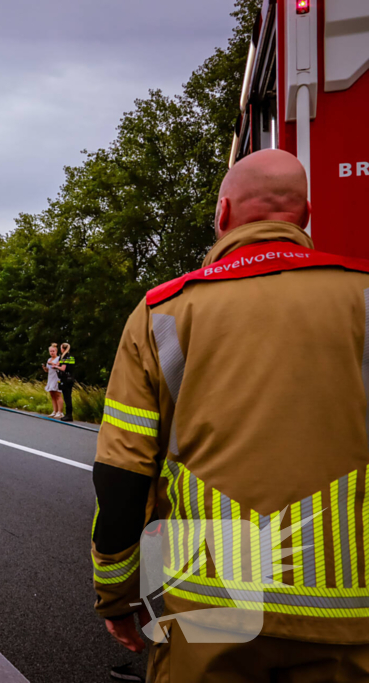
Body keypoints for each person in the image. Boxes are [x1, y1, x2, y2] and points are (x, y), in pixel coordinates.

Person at [91, 149, 369, 682]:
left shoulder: (164, 312)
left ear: (222, 214)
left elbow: (123, 473)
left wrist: (117, 595)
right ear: (306, 216)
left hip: (210, 607)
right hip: (351, 610)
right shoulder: (364, 296)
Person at [43, 344, 63, 418]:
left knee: (58, 394)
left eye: (53, 351)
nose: (52, 352)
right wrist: (45, 369)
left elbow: (57, 366)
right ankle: (55, 411)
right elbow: (49, 369)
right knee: (52, 394)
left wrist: (51, 363)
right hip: (50, 377)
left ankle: (60, 412)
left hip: (57, 378)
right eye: (51, 351)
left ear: (56, 351)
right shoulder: (49, 359)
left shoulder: (58, 358)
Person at [56, 343, 74, 422]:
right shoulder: (71, 357)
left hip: (65, 379)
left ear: (63, 348)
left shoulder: (65, 357)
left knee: (67, 397)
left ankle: (68, 415)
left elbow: (63, 368)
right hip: (70, 378)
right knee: (68, 396)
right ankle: (69, 414)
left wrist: (55, 367)